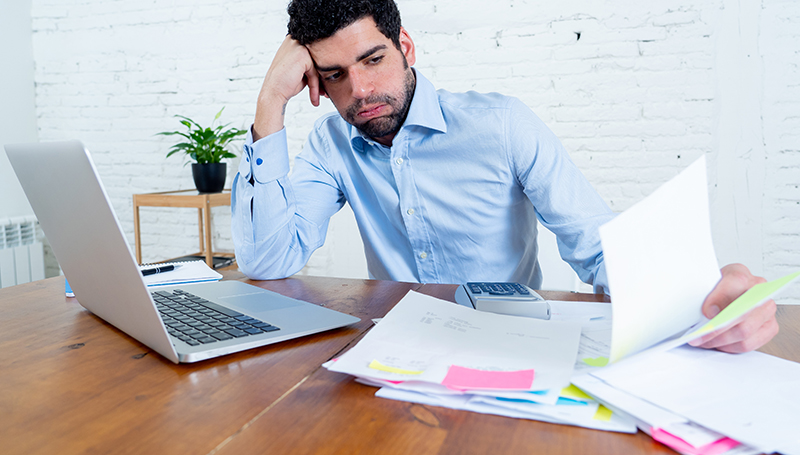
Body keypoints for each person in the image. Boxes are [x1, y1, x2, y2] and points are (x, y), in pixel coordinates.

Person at [231, 0, 778, 353]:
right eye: (335, 76)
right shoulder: (331, 146)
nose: (360, 91)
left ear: (406, 48)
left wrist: (694, 299)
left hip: (511, 344)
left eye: (373, 60)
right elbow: (269, 259)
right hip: (393, 353)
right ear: (318, 85)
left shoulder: (502, 125)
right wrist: (270, 101)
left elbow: (594, 244)